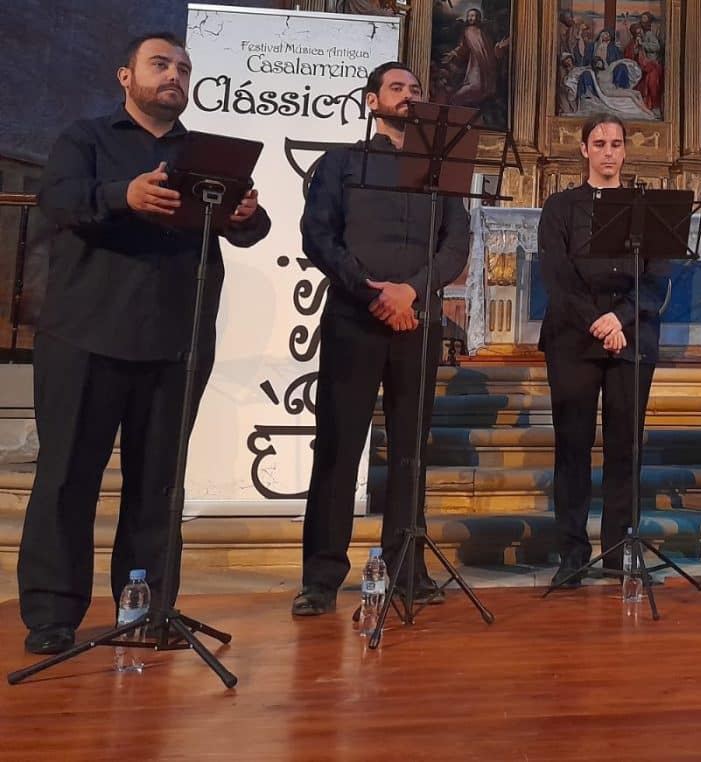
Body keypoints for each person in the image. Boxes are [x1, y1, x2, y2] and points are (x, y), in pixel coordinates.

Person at [18, 33, 270, 655]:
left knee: (159, 483)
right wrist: (123, 195)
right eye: (160, 65)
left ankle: (146, 609)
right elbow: (58, 200)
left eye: (183, 68)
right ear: (125, 76)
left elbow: (250, 226)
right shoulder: (87, 137)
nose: (175, 76)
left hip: (175, 340)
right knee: (66, 478)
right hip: (85, 335)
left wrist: (246, 217)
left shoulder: (206, 152)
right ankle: (52, 617)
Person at [292, 63, 471, 616]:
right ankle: (321, 578)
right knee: (339, 449)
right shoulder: (342, 163)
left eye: (417, 90)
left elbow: (454, 244)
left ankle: (406, 569)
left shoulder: (442, 172)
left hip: (416, 323)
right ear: (372, 101)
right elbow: (318, 235)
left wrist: (411, 293)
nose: (409, 97)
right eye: (398, 88)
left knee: (410, 451)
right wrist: (372, 293)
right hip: (353, 317)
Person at [537, 114, 670, 587]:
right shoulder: (560, 207)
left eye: (616, 143)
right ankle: (571, 555)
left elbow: (657, 278)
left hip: (630, 338)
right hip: (574, 337)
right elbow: (556, 275)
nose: (609, 151)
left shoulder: (646, 207)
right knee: (572, 448)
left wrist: (621, 317)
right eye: (599, 143)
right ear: (584, 150)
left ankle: (619, 552)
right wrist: (597, 319)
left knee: (625, 448)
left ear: (625, 150)